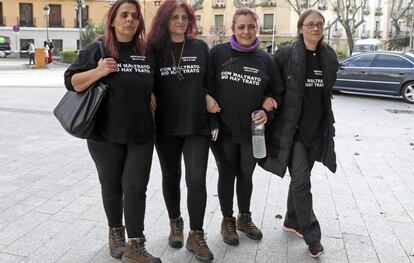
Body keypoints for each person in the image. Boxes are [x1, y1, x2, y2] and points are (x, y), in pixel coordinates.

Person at [64, 1, 161, 263]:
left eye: (134, 16)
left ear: (139, 22)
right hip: (104, 134)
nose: (130, 20)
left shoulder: (146, 51)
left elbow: (153, 82)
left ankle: (136, 244)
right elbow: (71, 81)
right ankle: (115, 232)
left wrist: (150, 92)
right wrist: (99, 70)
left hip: (141, 133)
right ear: (113, 20)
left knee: (136, 187)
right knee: (112, 186)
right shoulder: (98, 48)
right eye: (124, 15)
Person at [260, 8, 338, 258]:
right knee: (303, 181)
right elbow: (270, 83)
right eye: (310, 24)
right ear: (301, 27)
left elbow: (326, 94)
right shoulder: (285, 54)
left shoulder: (328, 56)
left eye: (320, 24)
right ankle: (312, 236)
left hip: (317, 130)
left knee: (299, 180)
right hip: (293, 131)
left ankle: (292, 221)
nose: (315, 28)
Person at [208, 7, 281, 247]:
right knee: (227, 173)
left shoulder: (266, 60)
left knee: (246, 175)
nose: (246, 31)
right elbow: (204, 86)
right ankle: (227, 220)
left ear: (256, 28)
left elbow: (274, 93)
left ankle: (244, 217)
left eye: (251, 26)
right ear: (233, 29)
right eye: (241, 27)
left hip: (252, 132)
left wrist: (268, 105)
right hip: (224, 129)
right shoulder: (218, 53)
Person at [147, 0, 214, 261]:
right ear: (164, 20)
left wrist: (208, 95)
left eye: (185, 17)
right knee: (170, 176)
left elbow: (209, 82)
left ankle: (196, 234)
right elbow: (145, 79)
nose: (180, 22)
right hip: (165, 125)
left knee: (196, 180)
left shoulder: (200, 48)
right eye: (174, 17)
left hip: (196, 124)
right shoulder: (155, 49)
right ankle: (175, 222)